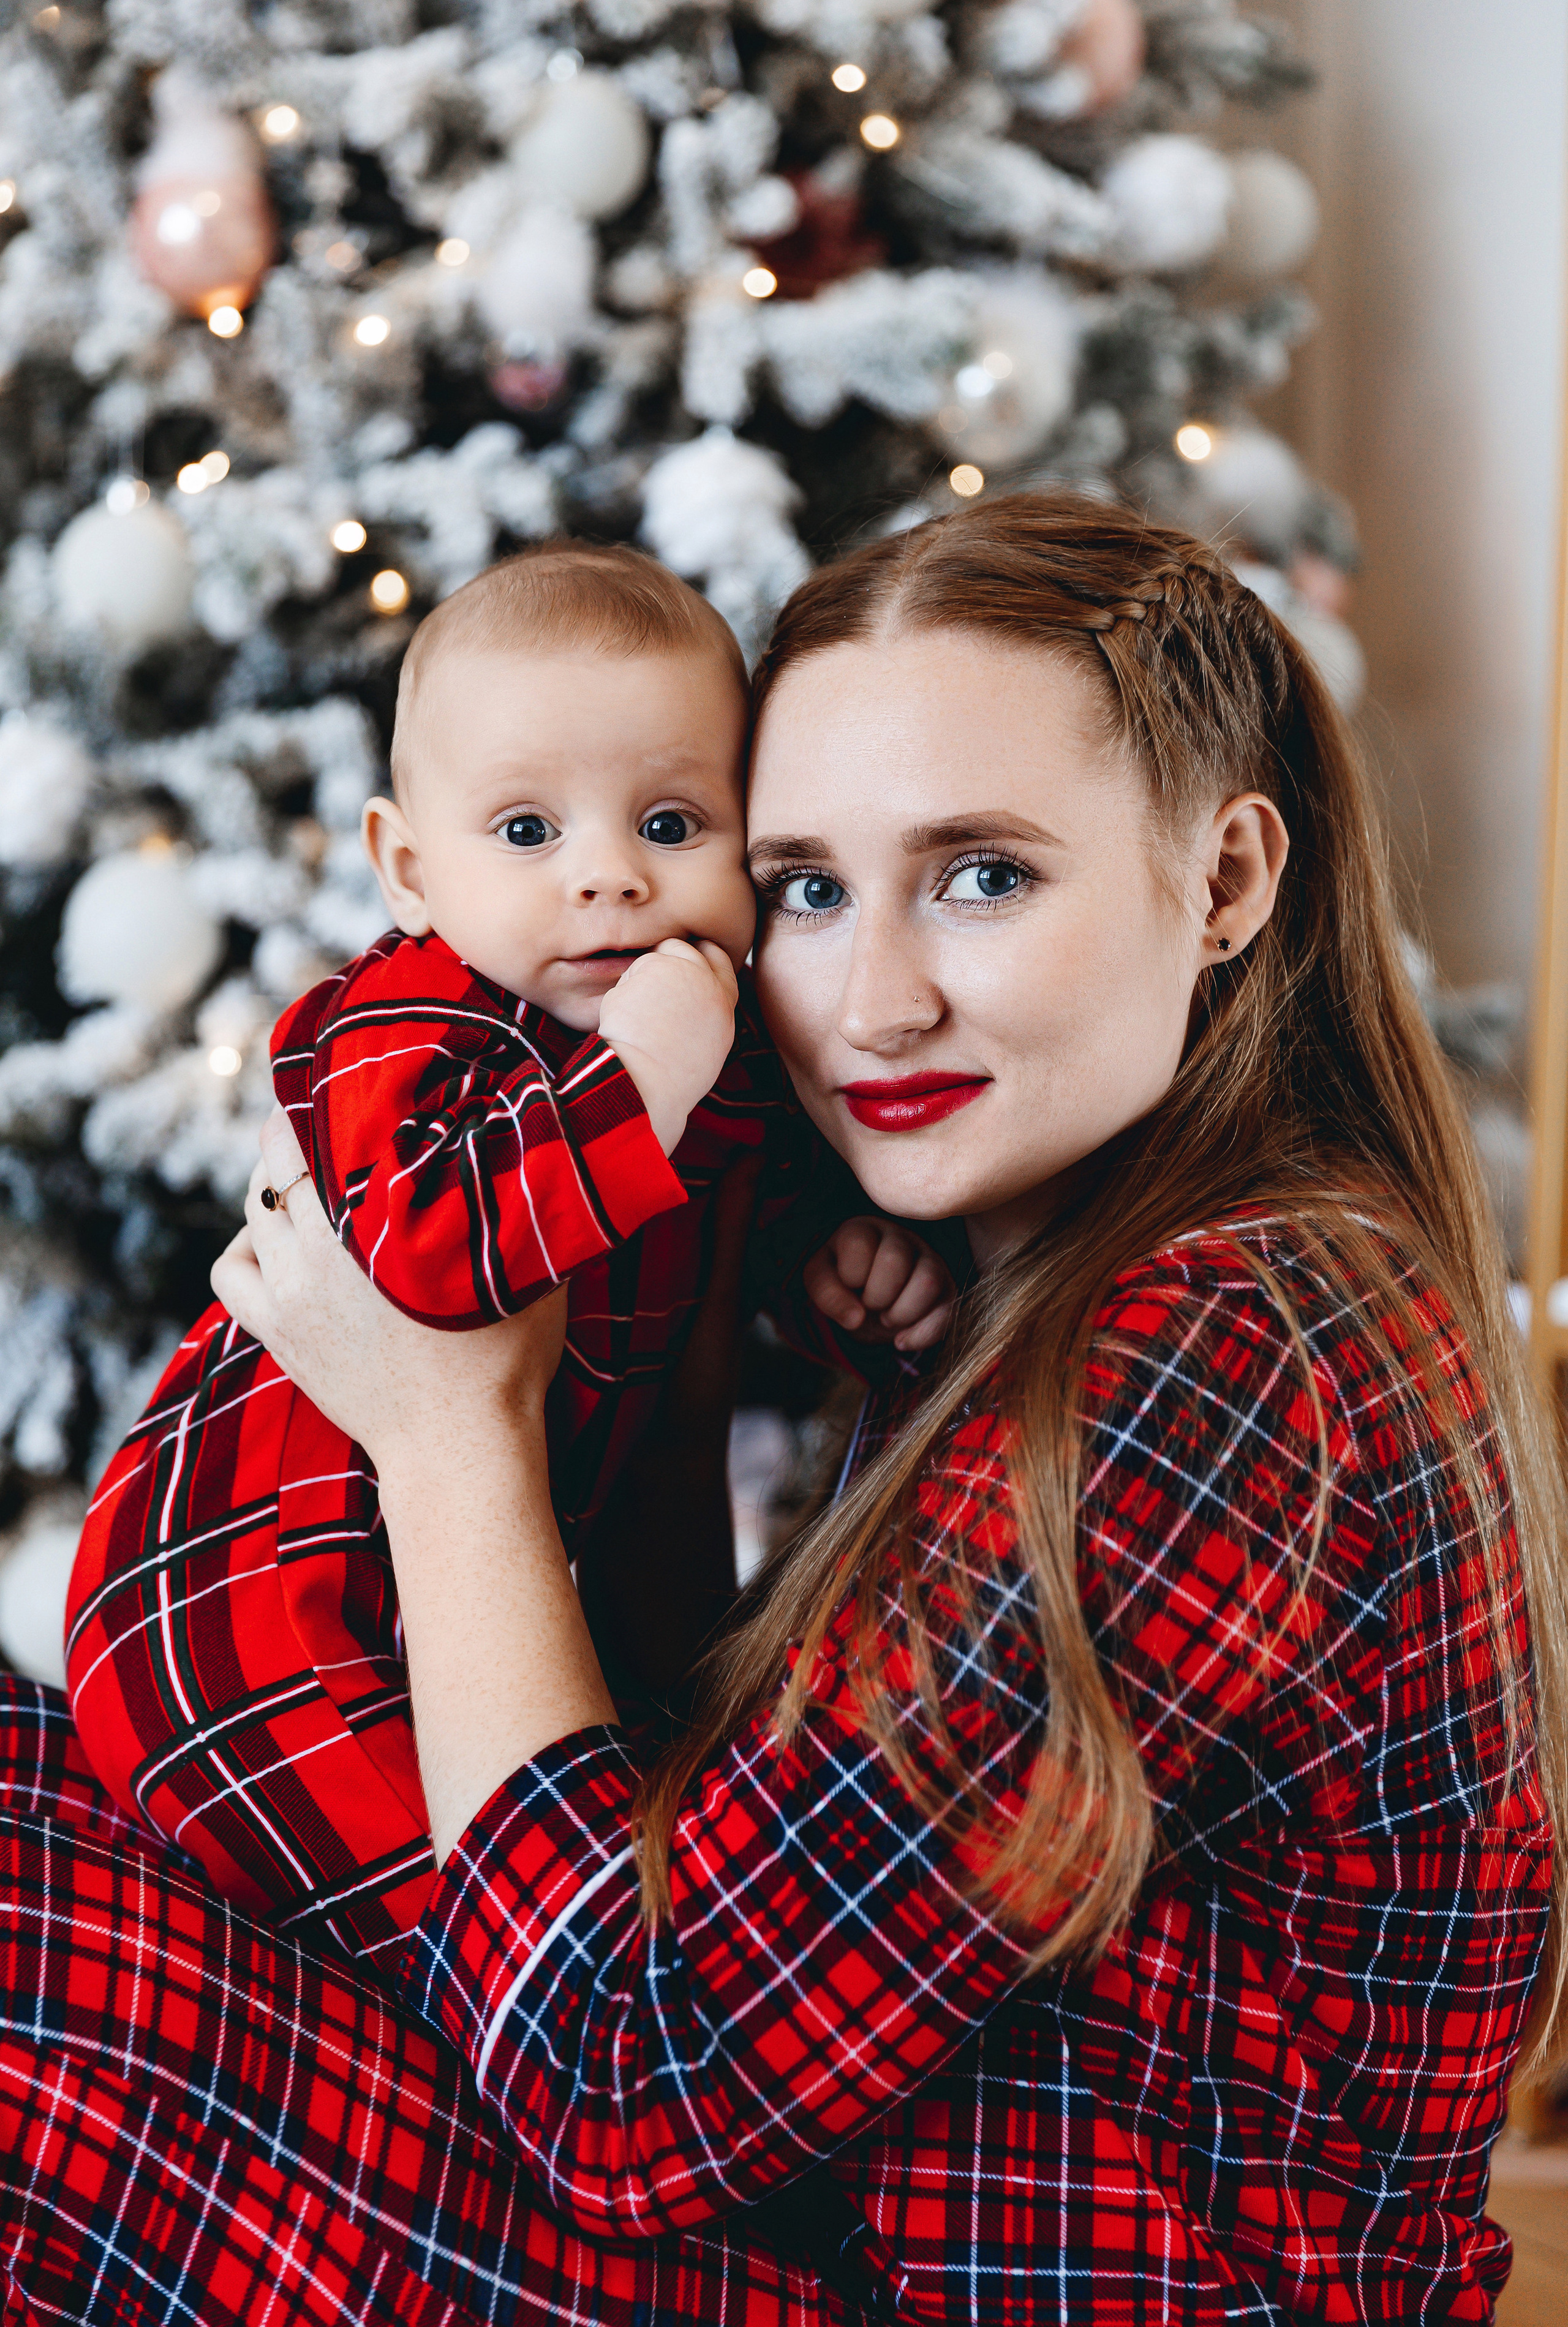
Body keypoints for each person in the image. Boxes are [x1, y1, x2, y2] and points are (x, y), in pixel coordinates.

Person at [0, 491, 1561, 2326]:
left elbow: (616, 2081)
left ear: (1222, 880)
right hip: (818, 2203)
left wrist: (444, 1429)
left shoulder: (1230, 1355)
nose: (873, 1003)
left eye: (983, 874)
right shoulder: (1073, 1283)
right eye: (809, 887)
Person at [62, 541, 951, 1963]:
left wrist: (827, 1261)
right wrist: (635, 1088)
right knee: (470, 1938)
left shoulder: (709, 1044)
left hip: (503, 1591)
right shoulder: (406, 1028)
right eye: (528, 834)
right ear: (411, 869)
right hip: (260, 1615)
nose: (609, 880)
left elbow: (734, 1208)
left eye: (670, 825)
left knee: (625, 1827)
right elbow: (422, 1264)